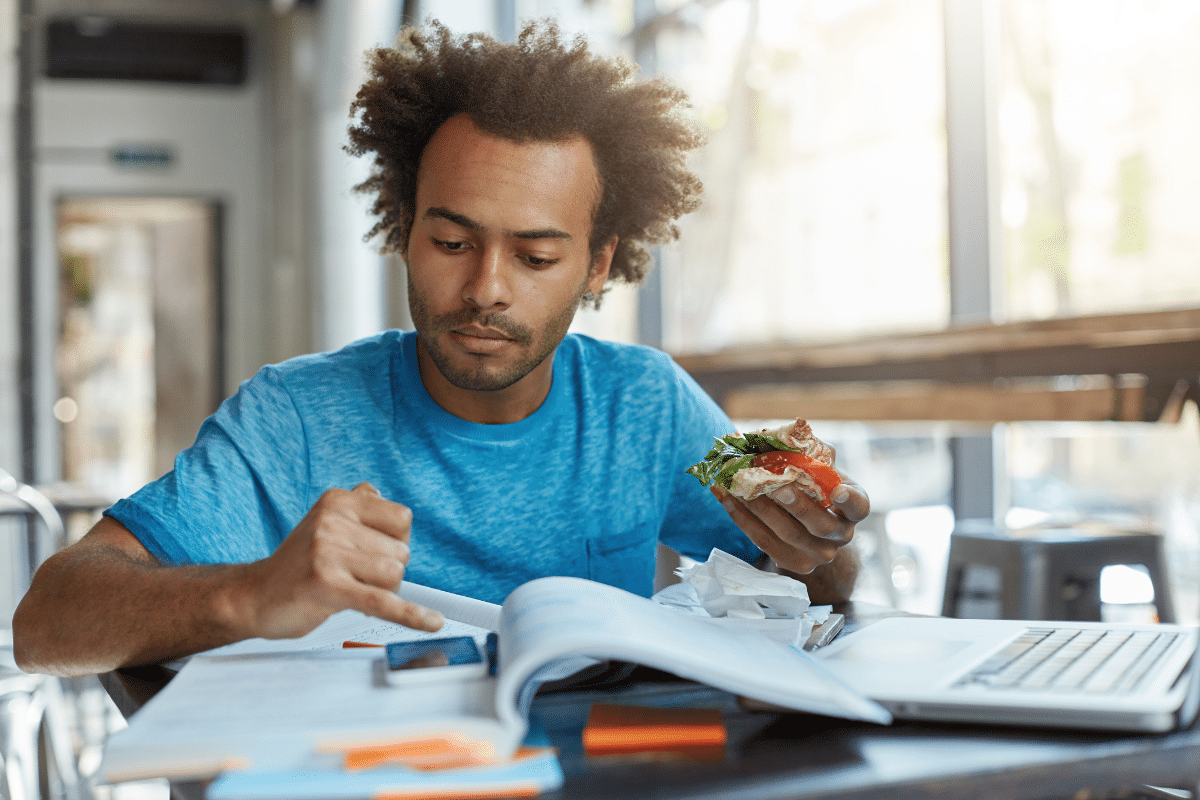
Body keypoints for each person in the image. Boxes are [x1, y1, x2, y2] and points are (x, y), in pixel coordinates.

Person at [13, 21, 869, 678]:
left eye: (535, 257)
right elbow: (44, 620)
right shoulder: (294, 416)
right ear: (405, 228)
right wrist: (252, 593)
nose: (487, 287)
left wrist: (822, 544)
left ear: (599, 262)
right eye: (452, 243)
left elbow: (818, 574)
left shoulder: (647, 398)